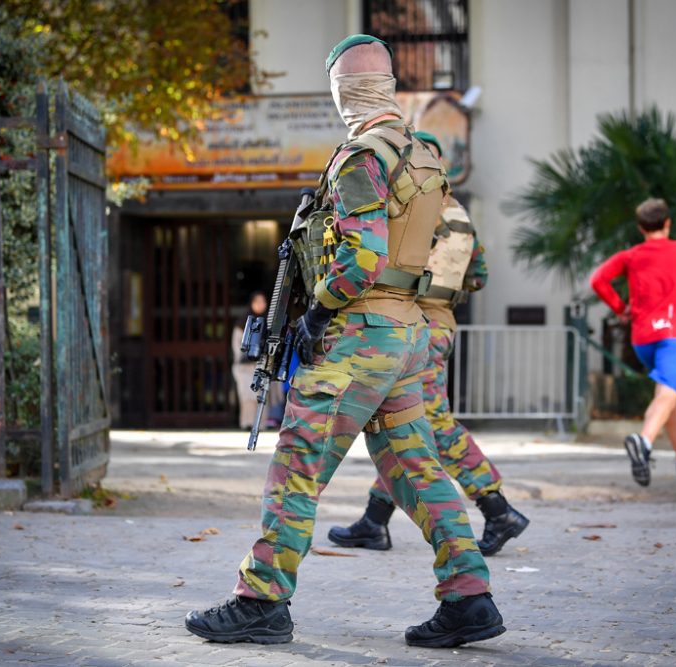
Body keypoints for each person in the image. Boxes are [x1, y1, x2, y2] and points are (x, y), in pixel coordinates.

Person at [184, 35, 504, 649]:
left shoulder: (363, 158)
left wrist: (316, 314)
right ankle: (469, 596)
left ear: (344, 91)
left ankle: (262, 600)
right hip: (407, 335)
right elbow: (450, 257)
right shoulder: (425, 157)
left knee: (297, 463)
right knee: (417, 469)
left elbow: (359, 259)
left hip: (358, 336)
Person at [328, 131, 529, 556]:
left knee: (430, 422)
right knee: (402, 422)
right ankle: (374, 520)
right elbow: (480, 276)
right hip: (440, 323)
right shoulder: (457, 213)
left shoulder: (419, 203)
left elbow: (382, 258)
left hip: (414, 322)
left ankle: (497, 508)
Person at [589, 198, 676, 486]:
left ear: (640, 227)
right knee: (666, 394)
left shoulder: (631, 255)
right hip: (673, 335)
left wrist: (619, 307)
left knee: (668, 395)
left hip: (643, 339)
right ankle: (644, 442)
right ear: (667, 222)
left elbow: (598, 280)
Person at [232, 291, 269, 430]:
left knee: (261, 395)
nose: (260, 305)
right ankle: (247, 423)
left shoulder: (268, 321)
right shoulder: (244, 322)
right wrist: (245, 355)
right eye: (257, 302)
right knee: (247, 395)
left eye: (262, 302)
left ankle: (261, 424)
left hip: (261, 365)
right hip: (244, 366)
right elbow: (237, 344)